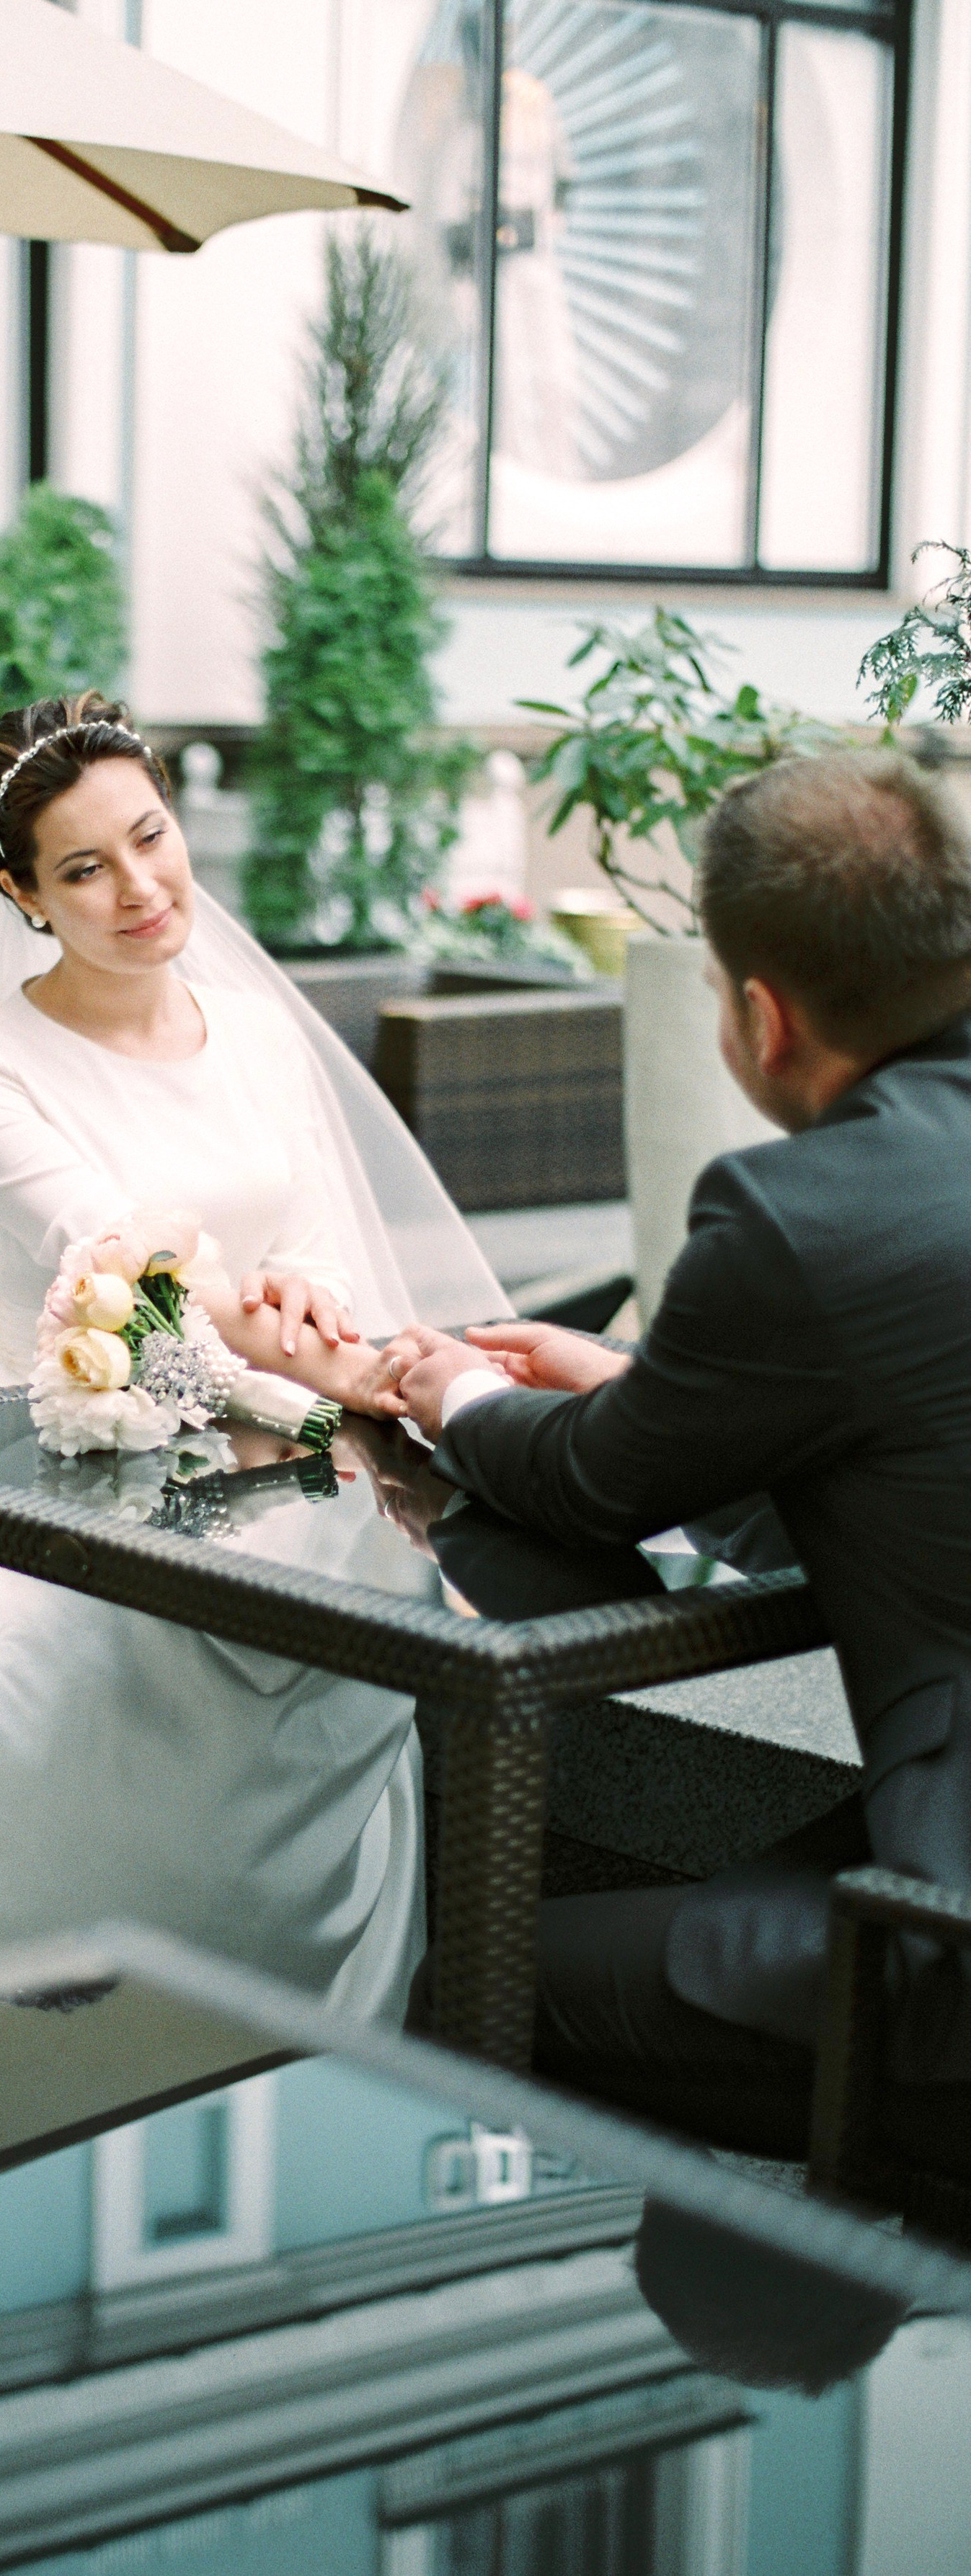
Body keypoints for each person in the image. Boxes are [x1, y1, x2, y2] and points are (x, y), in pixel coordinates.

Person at [0, 694, 507, 2014]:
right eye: (84, 868)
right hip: (54, 1427)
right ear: (21, 892)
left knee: (372, 1563)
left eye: (150, 837)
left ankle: (271, 2002)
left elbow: (315, 1234)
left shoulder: (253, 1025)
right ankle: (24, 1994)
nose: (139, 887)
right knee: (41, 1642)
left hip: (277, 1412)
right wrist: (298, 1370)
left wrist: (316, 1305)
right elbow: (116, 1279)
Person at [389, 749, 971, 2152]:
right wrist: (648, 1380)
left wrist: (454, 1389)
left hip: (946, 1925)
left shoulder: (800, 1212)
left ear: (761, 1016)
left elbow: (593, 1483)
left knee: (452, 1991)